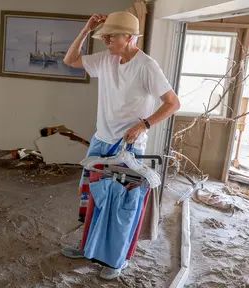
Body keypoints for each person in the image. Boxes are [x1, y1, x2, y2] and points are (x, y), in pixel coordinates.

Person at [61, 11, 180, 280]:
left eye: (109, 36)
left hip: (128, 147)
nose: (104, 40)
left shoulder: (147, 66)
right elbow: (70, 60)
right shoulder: (106, 59)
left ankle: (117, 260)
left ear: (128, 38)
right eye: (102, 35)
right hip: (101, 140)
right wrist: (86, 28)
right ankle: (88, 248)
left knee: (122, 206)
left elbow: (173, 103)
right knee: (93, 198)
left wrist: (144, 125)